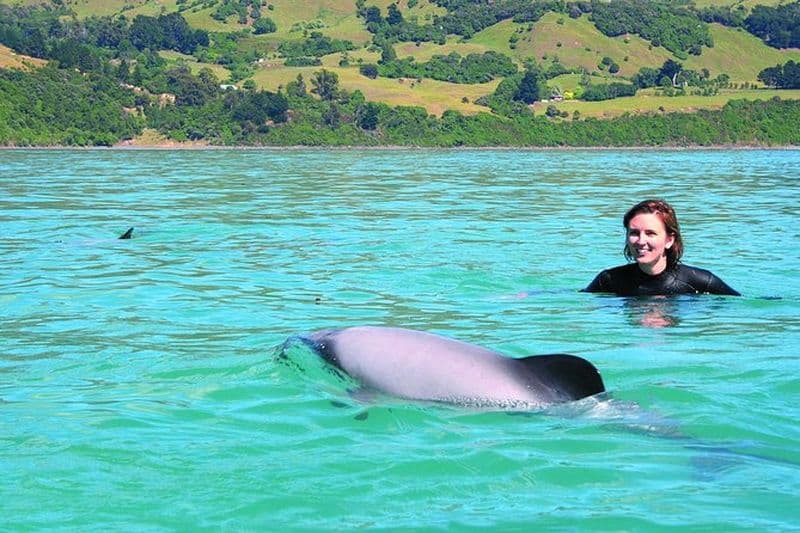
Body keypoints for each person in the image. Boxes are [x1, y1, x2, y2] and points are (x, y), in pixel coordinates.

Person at [583, 199, 740, 296]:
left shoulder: (700, 281)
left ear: (669, 240)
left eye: (650, 233)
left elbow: (740, 306)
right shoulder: (609, 280)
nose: (641, 241)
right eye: (634, 233)